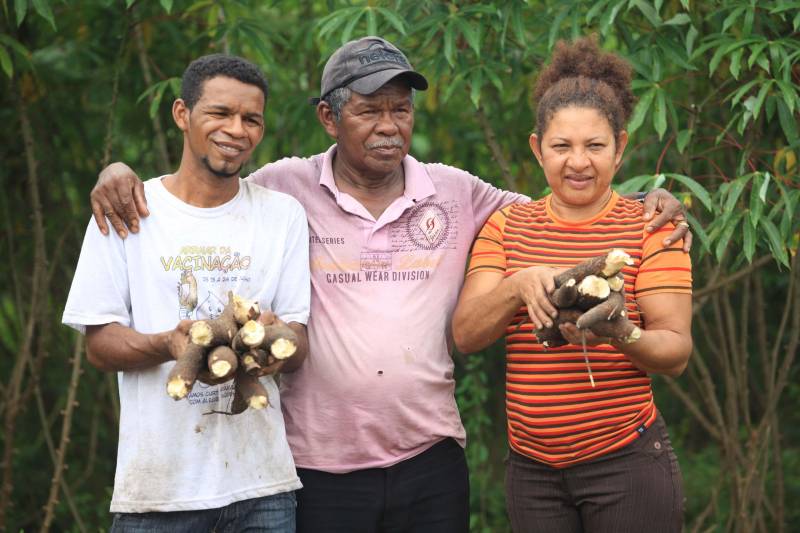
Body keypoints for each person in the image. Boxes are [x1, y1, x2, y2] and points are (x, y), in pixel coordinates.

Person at [88, 37, 690, 532]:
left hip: (429, 458)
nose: (388, 126)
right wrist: (119, 174)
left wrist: (648, 202)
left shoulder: (455, 193)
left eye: (399, 109)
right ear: (329, 116)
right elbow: (206, 190)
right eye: (368, 110)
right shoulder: (281, 191)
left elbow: (561, 204)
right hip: (318, 466)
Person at [452, 37, 691, 532]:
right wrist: (517, 285)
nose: (577, 162)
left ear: (620, 148)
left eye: (595, 146)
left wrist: (620, 331)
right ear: (538, 149)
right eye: (562, 146)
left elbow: (676, 351)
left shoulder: (653, 228)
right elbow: (467, 335)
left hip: (625, 460)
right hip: (533, 470)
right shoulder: (505, 226)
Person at [62, 54, 310, 532]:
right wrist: (167, 344)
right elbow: (99, 345)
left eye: (251, 119)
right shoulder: (126, 209)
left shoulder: (283, 215)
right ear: (182, 114)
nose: (236, 130)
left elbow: (298, 338)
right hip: (157, 496)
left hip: (263, 490)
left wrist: (271, 347)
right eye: (220, 113)